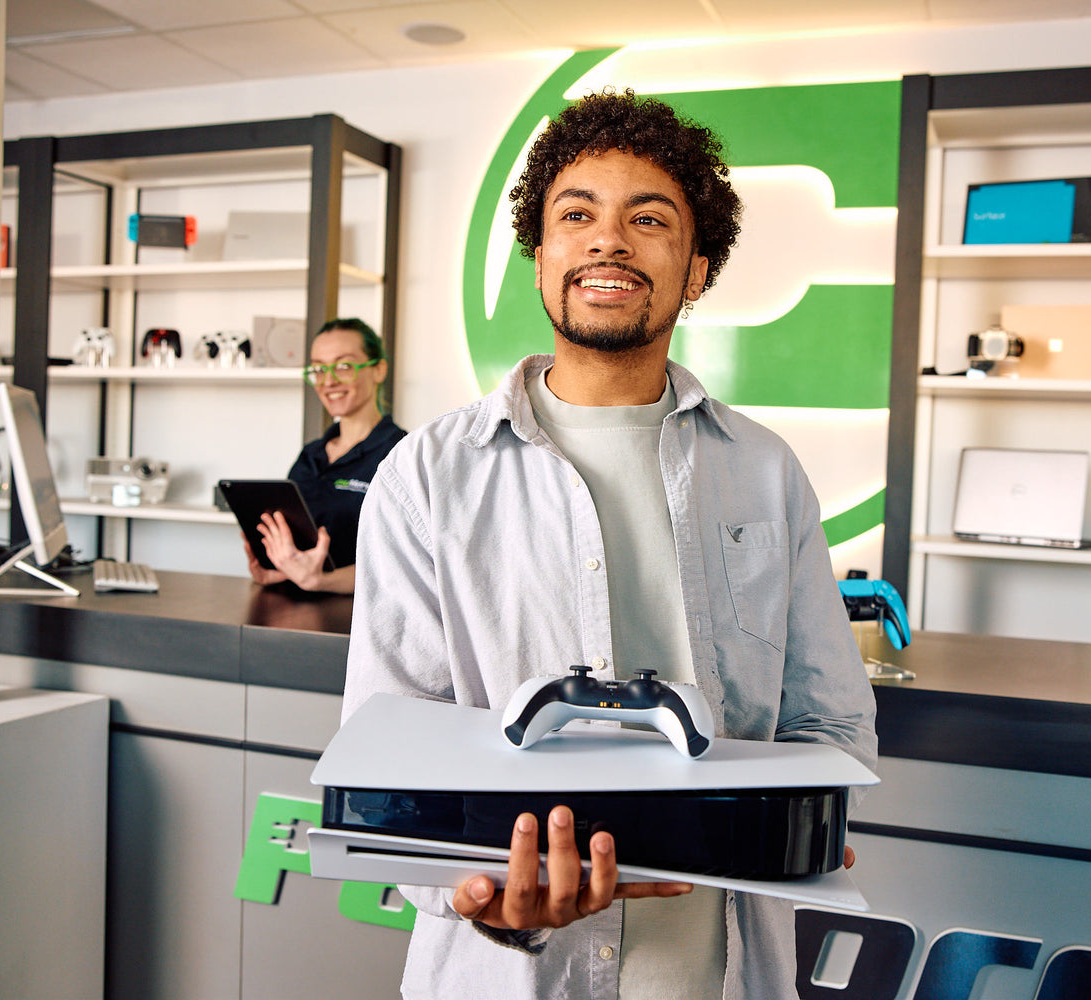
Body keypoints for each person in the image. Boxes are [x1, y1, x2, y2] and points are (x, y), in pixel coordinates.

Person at [341, 89, 877, 999]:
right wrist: (478, 895)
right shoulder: (427, 475)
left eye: (649, 219)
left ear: (697, 268)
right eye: (576, 215)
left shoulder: (766, 474)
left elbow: (829, 722)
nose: (608, 241)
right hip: (501, 979)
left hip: (718, 975)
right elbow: (390, 747)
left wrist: (789, 827)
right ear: (540, 255)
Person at [244, 317, 406, 594]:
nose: (328, 381)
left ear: (378, 370)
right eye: (319, 369)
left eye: (344, 366)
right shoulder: (311, 456)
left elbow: (407, 563)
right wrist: (279, 569)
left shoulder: (402, 454)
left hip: (361, 626)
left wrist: (322, 582)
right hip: (292, 613)